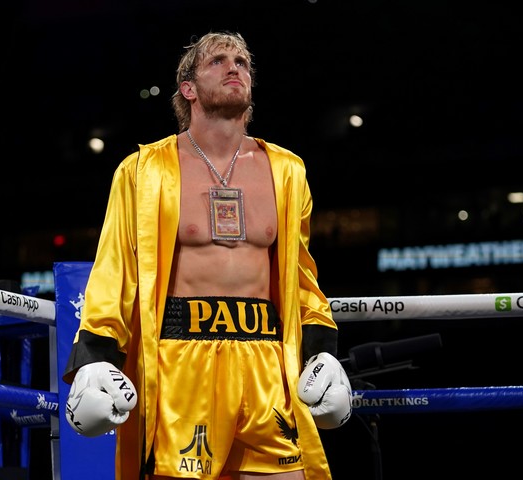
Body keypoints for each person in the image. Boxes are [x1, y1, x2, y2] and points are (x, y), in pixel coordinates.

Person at [62, 31, 352, 480]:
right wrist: (95, 357)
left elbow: (300, 275)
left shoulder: (287, 170)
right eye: (218, 60)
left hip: (265, 362)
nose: (235, 67)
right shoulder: (145, 170)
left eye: (242, 61)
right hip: (182, 362)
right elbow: (115, 270)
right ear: (188, 88)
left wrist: (321, 353)